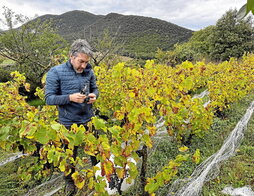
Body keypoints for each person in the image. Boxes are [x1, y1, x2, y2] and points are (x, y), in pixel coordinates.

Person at [45, 39, 99, 195]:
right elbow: (49, 98)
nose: (84, 66)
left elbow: (95, 89)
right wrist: (69, 98)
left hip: (88, 120)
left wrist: (94, 95)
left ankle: (98, 178)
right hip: (68, 123)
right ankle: (70, 183)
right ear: (71, 56)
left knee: (94, 152)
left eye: (86, 62)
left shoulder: (89, 71)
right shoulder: (56, 72)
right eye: (81, 61)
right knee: (69, 157)